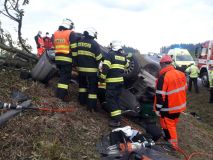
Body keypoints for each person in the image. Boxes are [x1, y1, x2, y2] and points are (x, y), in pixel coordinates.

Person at [154, 55, 187, 149]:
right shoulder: (181, 74)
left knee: (170, 126)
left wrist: (157, 109)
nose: (160, 66)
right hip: (179, 105)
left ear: (163, 64)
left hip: (168, 107)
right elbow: (185, 88)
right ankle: (167, 137)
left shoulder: (164, 77)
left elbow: (160, 95)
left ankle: (173, 146)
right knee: (169, 124)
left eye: (160, 64)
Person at [100, 41, 129, 127]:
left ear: (113, 48)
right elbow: (127, 65)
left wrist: (102, 78)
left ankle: (116, 120)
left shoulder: (110, 55)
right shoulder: (123, 57)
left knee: (110, 99)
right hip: (120, 82)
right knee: (116, 99)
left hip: (112, 82)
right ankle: (118, 117)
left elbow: (105, 68)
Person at [74, 27, 103, 112]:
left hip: (81, 69)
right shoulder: (94, 44)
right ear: (92, 34)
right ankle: (91, 107)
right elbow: (99, 58)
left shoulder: (79, 42)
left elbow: (75, 55)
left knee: (82, 86)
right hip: (92, 71)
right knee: (92, 89)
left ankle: (81, 101)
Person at [53, 18, 78, 102]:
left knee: (62, 77)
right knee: (65, 79)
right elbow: (74, 48)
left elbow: (54, 44)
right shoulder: (71, 33)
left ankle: (62, 94)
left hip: (58, 59)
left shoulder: (55, 33)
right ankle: (60, 97)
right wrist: (75, 60)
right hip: (67, 59)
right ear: (69, 25)